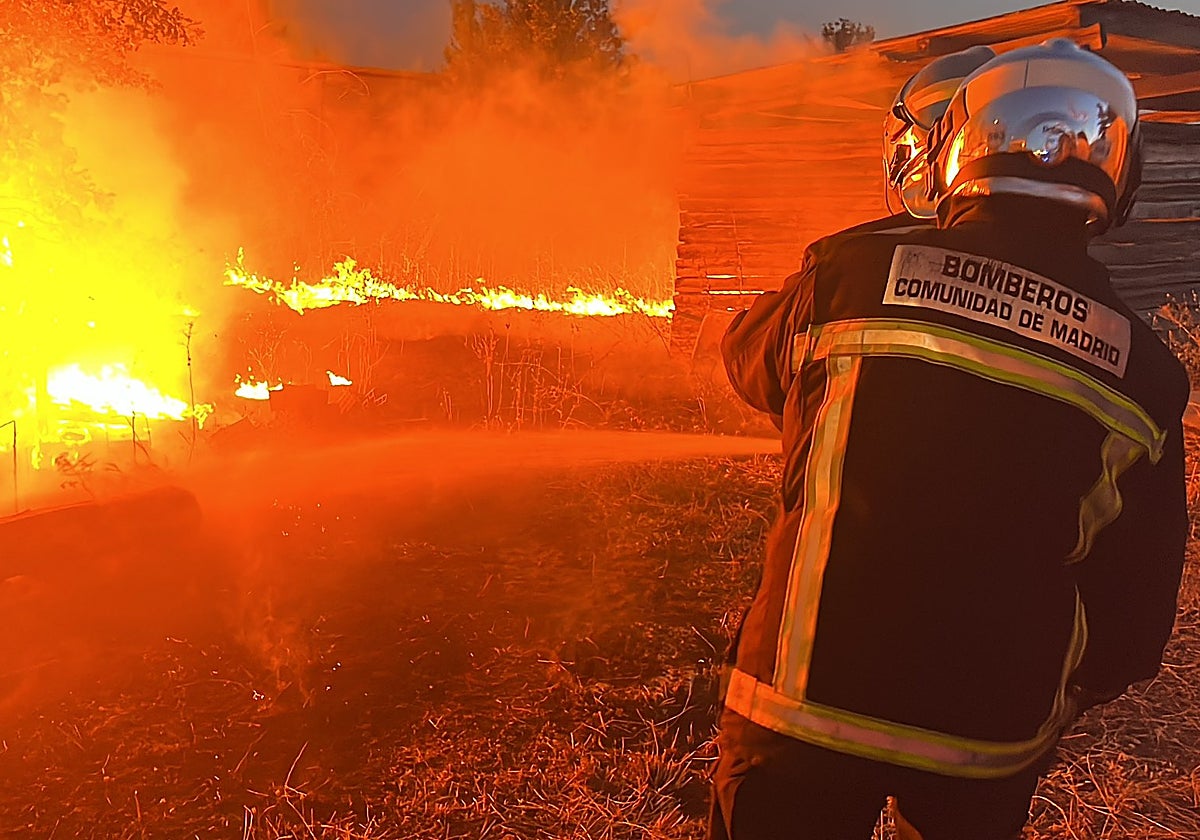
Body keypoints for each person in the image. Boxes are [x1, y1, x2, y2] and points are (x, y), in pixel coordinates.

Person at [709, 39, 1189, 840]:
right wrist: (1065, 691)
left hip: (802, 704)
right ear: (1120, 171)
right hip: (988, 737)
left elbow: (747, 363)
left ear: (958, 146)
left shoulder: (849, 276)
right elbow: (1137, 617)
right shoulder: (1145, 371)